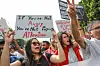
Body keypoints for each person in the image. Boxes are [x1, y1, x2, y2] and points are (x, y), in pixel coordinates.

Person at [0, 31, 66, 66]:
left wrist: (57, 40)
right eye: (34, 43)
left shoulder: (47, 56)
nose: (37, 44)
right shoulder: (23, 61)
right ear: (28, 47)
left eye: (38, 43)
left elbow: (61, 58)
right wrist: (7, 43)